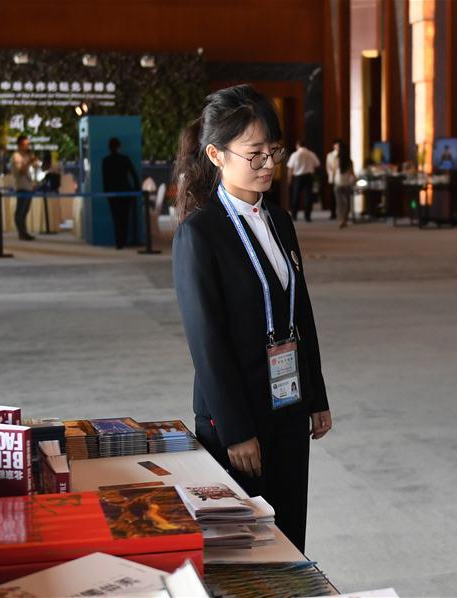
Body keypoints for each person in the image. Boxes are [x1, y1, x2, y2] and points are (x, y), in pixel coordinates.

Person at [172, 84, 332, 553]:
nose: (268, 164)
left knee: (289, 535)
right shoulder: (200, 233)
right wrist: (236, 429)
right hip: (237, 415)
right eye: (254, 154)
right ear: (216, 155)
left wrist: (316, 395)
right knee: (244, 548)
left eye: (273, 151)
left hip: (287, 403)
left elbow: (301, 312)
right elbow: (207, 343)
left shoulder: (279, 220)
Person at [102, 137, 140, 249]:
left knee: (116, 218)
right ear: (119, 147)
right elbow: (134, 174)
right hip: (125, 191)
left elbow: (105, 179)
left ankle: (119, 242)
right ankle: (123, 240)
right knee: (125, 218)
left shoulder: (106, 161)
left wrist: (106, 193)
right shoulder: (124, 159)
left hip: (112, 193)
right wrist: (136, 189)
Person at [10, 134, 39, 240]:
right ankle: (21, 232)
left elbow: (33, 169)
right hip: (21, 186)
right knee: (20, 210)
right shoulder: (16, 156)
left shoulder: (27, 156)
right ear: (19, 145)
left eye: (28, 144)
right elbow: (21, 171)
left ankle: (24, 231)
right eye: (25, 144)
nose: (27, 147)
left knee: (25, 210)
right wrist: (29, 162)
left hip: (29, 185)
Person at [286, 140, 320, 222]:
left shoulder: (295, 154)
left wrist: (289, 178)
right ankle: (307, 216)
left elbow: (290, 167)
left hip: (298, 177)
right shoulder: (311, 154)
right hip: (309, 176)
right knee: (308, 196)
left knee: (296, 196)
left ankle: (294, 215)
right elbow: (317, 164)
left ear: (298, 145)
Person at [333, 141, 356, 228]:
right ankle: (344, 219)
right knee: (347, 203)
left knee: (339, 203)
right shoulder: (350, 161)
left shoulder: (336, 160)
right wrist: (355, 180)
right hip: (347, 184)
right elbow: (352, 173)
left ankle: (340, 220)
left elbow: (334, 171)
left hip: (338, 183)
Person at [325, 139, 340, 220]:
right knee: (332, 196)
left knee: (339, 196)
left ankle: (340, 212)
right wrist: (330, 173)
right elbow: (328, 166)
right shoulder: (330, 155)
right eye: (336, 145)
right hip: (332, 178)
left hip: (340, 178)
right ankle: (333, 213)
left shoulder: (342, 155)